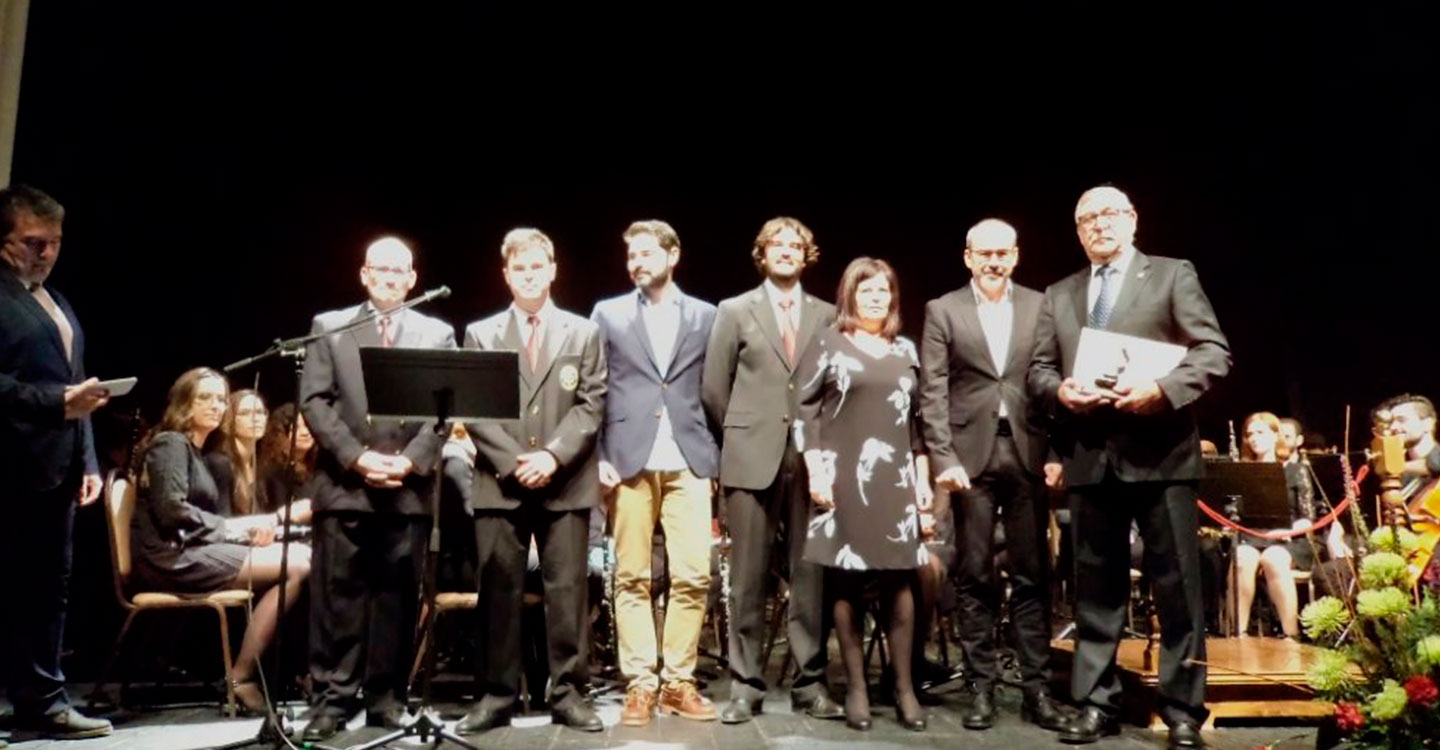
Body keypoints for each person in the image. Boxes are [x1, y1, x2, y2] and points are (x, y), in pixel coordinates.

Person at [1028, 185, 1231, 749]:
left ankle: (1184, 711)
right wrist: (1059, 392)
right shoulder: (1060, 292)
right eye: (1086, 219)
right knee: (1095, 590)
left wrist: (1162, 390)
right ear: (1076, 231)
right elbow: (1040, 369)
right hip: (1091, 459)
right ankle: (1096, 703)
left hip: (1162, 455)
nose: (1099, 225)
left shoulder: (1170, 275)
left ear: (1133, 219)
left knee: (1178, 590)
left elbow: (1212, 352)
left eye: (1109, 214)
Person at [298, 237, 457, 742]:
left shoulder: (437, 334)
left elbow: (446, 413)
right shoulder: (330, 326)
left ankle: (387, 699)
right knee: (338, 598)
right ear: (364, 274)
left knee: (396, 598)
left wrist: (410, 462)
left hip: (406, 488)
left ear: (413, 279)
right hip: (346, 484)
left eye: (399, 270)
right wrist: (358, 457)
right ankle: (331, 700)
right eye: (380, 269)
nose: (389, 277)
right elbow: (316, 402)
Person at [917, 218, 1068, 731]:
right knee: (974, 575)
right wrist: (942, 459)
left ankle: (1036, 690)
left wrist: (1057, 452)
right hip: (969, 459)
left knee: (1033, 576)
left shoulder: (1039, 305)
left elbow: (1051, 379)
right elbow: (932, 392)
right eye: (985, 253)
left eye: (1003, 253)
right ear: (967, 257)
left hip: (1027, 451)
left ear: (1017, 256)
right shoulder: (943, 310)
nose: (994, 261)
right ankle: (980, 688)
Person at [456, 228, 607, 735]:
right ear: (506, 274)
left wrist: (553, 457)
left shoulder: (583, 331)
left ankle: (568, 694)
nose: (529, 275)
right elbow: (472, 409)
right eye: (519, 268)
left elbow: (592, 404)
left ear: (553, 270)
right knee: (498, 592)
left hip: (565, 482)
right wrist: (516, 459)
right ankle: (496, 696)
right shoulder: (480, 333)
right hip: (501, 481)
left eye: (537, 267)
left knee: (567, 595)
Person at [701, 216, 843, 724]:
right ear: (761, 254)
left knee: (811, 574)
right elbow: (715, 389)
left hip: (810, 458)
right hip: (750, 454)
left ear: (808, 255)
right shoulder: (734, 310)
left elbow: (832, 386)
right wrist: (744, 433)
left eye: (795, 245)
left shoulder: (829, 314)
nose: (786, 251)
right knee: (748, 578)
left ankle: (810, 683)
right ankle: (745, 684)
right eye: (776, 244)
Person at [591, 220, 719, 726]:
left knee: (693, 574)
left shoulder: (707, 316)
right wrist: (600, 451)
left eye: (646, 254)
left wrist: (715, 454)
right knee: (632, 576)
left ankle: (679, 682)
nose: (636, 263)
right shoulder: (609, 313)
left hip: (688, 458)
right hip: (627, 457)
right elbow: (596, 389)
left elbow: (715, 389)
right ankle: (641, 684)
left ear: (673, 254)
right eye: (631, 256)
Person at [798, 256, 931, 732]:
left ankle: (902, 689)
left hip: (895, 479)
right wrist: (815, 472)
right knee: (847, 582)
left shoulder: (907, 350)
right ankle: (854, 686)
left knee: (899, 582)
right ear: (850, 295)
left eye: (883, 291)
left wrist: (924, 483)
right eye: (866, 290)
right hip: (842, 478)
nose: (876, 297)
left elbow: (917, 426)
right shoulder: (828, 342)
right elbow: (805, 413)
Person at [130, 368, 312, 715]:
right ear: (185, 403)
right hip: (171, 558)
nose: (216, 406)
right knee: (298, 563)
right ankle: (241, 676)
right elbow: (171, 510)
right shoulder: (170, 443)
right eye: (205, 398)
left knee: (300, 558)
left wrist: (248, 529)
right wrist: (236, 530)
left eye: (219, 399)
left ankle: (262, 670)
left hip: (194, 550)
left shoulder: (197, 450)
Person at [0, 184, 113, 741]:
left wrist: (88, 460)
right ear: (3, 240)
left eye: (54, 243)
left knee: (47, 590)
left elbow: (77, 387)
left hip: (57, 468)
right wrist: (56, 402)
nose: (44, 253)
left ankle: (42, 702)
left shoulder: (56, 300)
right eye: (32, 242)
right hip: (10, 466)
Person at [1231, 412, 1311, 639]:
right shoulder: (1242, 473)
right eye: (1249, 434)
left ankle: (1290, 633)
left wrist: (1286, 532)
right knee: (1243, 557)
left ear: (1275, 435)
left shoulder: (1297, 471)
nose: (1254, 438)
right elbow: (1234, 513)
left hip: (1290, 539)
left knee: (1273, 558)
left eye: (1260, 432)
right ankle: (1240, 632)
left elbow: (1308, 517)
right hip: (1252, 536)